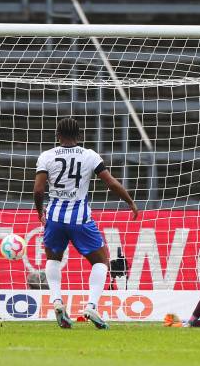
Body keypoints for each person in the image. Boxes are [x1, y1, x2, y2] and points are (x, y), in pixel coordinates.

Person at [34, 118, 138, 329]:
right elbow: (110, 182)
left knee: (53, 259)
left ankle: (57, 301)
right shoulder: (89, 155)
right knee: (101, 262)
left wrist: (39, 212)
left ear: (57, 135)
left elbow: (38, 190)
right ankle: (91, 305)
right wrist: (130, 202)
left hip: (54, 218)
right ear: (79, 135)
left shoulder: (47, 156)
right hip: (80, 219)